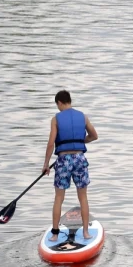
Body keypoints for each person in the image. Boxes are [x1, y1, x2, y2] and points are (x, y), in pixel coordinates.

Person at [42, 90, 98, 239]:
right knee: (83, 197)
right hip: (80, 159)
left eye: (57, 105)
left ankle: (55, 235)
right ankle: (86, 232)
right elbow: (94, 136)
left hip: (63, 160)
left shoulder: (56, 119)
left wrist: (46, 164)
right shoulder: (83, 116)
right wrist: (81, 142)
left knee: (59, 198)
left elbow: (51, 143)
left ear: (59, 102)